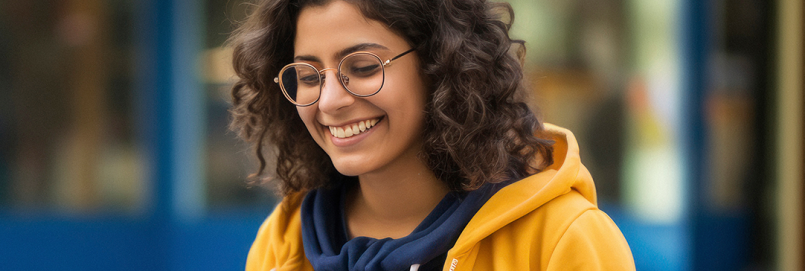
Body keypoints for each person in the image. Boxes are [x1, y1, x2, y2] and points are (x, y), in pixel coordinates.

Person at [227, 0, 635, 270]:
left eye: (364, 66)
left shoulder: (561, 239)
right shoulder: (285, 241)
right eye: (308, 75)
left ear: (441, 63)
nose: (330, 101)